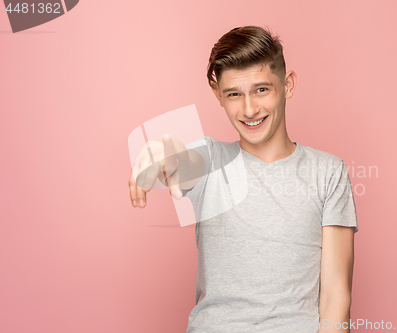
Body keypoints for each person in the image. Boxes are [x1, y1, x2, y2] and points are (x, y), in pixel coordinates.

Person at [129, 25, 358, 333]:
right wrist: (165, 157)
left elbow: (335, 297)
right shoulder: (210, 159)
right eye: (234, 94)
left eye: (261, 89)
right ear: (218, 96)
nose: (249, 109)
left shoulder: (328, 172)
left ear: (287, 84)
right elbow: (183, 162)